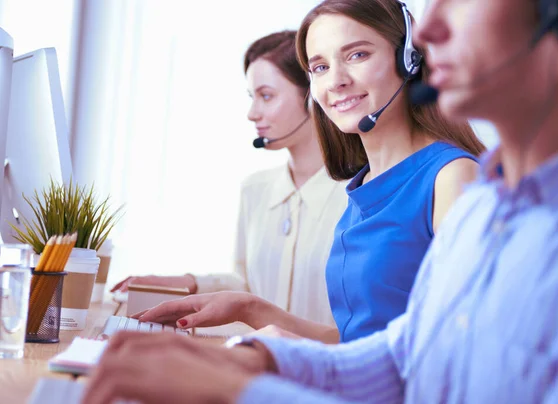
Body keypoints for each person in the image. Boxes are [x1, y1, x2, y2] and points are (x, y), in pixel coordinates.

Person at [81, 0, 558, 402]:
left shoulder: (463, 185)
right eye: (319, 66)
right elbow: (405, 356)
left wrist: (239, 390)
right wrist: (255, 359)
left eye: (462, 0)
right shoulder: (489, 205)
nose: (430, 28)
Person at [135, 0, 485, 343]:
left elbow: (460, 347)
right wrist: (247, 308)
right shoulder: (364, 185)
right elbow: (355, 343)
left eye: (357, 55)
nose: (336, 81)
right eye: (320, 67)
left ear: (409, 60)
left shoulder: (452, 178)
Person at [111, 30, 349, 328]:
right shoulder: (256, 189)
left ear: (313, 95)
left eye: (266, 96)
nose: (252, 113)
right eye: (252, 97)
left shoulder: (359, 194)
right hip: (251, 362)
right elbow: (247, 286)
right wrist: (187, 283)